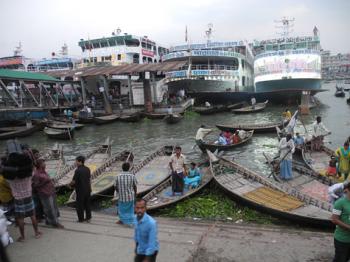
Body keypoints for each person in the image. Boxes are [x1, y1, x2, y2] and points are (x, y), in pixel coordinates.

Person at [2, 140, 41, 242]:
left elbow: (5, 173)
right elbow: (32, 168)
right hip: (28, 197)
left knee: (20, 219)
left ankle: (23, 237)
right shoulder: (28, 176)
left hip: (18, 199)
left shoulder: (10, 179)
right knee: (32, 215)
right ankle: (36, 233)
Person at [32, 159, 63, 228]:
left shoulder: (44, 172)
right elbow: (35, 185)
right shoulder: (36, 174)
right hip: (45, 193)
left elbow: (46, 180)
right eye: (43, 163)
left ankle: (49, 220)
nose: (45, 164)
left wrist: (50, 180)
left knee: (54, 207)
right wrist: (45, 182)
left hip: (51, 191)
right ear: (39, 165)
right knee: (49, 209)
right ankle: (55, 223)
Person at [331, 182, 350, 261]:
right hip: (342, 239)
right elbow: (334, 219)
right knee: (340, 259)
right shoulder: (340, 203)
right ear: (347, 190)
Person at [70, 156, 91, 223]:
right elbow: (89, 179)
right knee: (87, 204)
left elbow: (74, 181)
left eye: (76, 161)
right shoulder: (87, 169)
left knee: (79, 205)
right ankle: (88, 217)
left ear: (80, 162)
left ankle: (81, 219)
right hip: (88, 189)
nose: (75, 163)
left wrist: (69, 185)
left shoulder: (77, 170)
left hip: (80, 190)